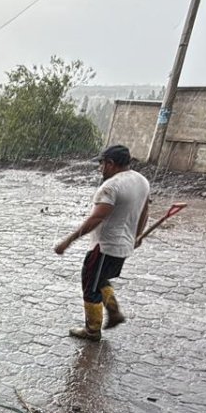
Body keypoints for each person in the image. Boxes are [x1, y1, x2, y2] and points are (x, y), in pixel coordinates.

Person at [54, 145, 150, 341]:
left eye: (102, 164)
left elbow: (96, 218)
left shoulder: (110, 187)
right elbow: (144, 212)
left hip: (105, 247)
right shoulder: (142, 181)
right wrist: (137, 235)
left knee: (90, 285)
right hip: (123, 246)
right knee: (100, 279)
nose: (100, 169)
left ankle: (92, 330)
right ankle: (114, 312)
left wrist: (67, 241)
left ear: (111, 164)